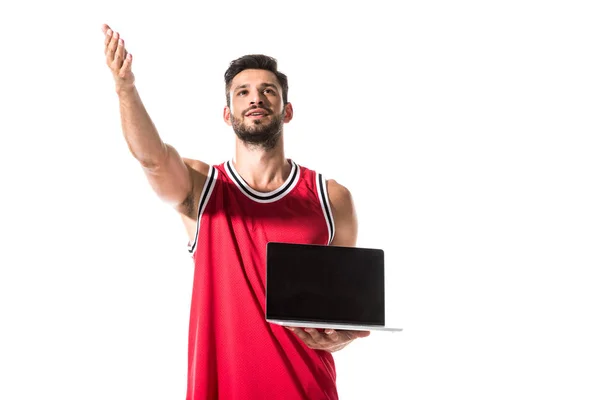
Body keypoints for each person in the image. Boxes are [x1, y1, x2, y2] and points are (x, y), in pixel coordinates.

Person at [102, 23, 371, 400]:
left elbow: (343, 316)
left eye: (267, 90)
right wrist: (125, 89)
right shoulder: (201, 187)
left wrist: (340, 338)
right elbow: (153, 159)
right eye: (242, 92)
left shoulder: (331, 198)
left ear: (287, 110)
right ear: (228, 115)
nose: (254, 98)